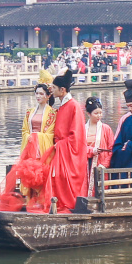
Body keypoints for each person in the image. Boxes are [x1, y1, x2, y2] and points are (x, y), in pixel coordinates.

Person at [0, 83, 57, 212]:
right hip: (30, 148)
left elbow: (51, 133)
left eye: (41, 94)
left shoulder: (52, 113)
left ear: (48, 96)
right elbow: (24, 130)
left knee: (41, 175)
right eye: (37, 93)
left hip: (43, 150)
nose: (38, 96)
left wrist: (36, 136)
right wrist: (29, 136)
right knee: (28, 175)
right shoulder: (30, 112)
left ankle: (41, 201)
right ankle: (29, 201)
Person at [41, 71, 89, 214]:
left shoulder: (73, 106)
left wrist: (60, 145)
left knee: (63, 178)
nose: (52, 90)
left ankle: (68, 204)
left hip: (68, 151)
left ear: (62, 90)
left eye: (54, 88)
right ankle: (59, 203)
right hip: (61, 148)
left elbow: (77, 137)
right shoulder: (62, 106)